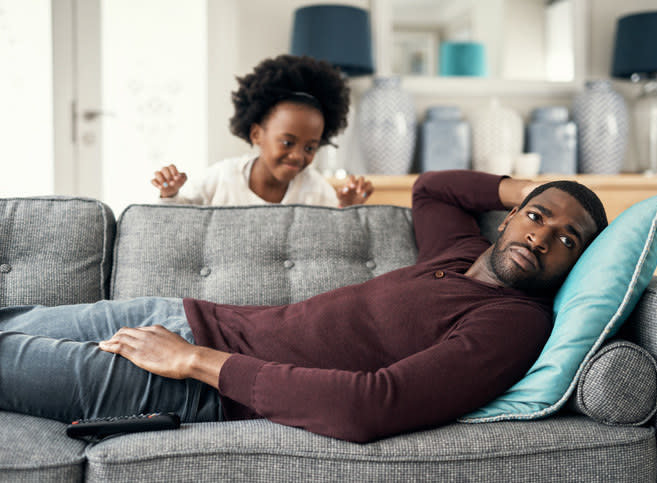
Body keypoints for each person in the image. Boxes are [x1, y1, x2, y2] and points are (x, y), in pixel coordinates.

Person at [0, 170, 607, 443]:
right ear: (509, 219)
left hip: (193, 383)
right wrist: (532, 187)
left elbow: (371, 405)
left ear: (576, 263)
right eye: (535, 216)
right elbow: (435, 188)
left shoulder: (513, 324)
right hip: (185, 313)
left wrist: (194, 363)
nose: (541, 237)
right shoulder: (459, 249)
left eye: (567, 239)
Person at [150, 55, 373, 208]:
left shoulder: (315, 189)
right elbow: (177, 218)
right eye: (287, 142)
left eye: (310, 147)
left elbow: (335, 235)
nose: (297, 155)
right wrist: (170, 194)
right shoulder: (221, 178)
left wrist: (348, 208)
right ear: (256, 134)